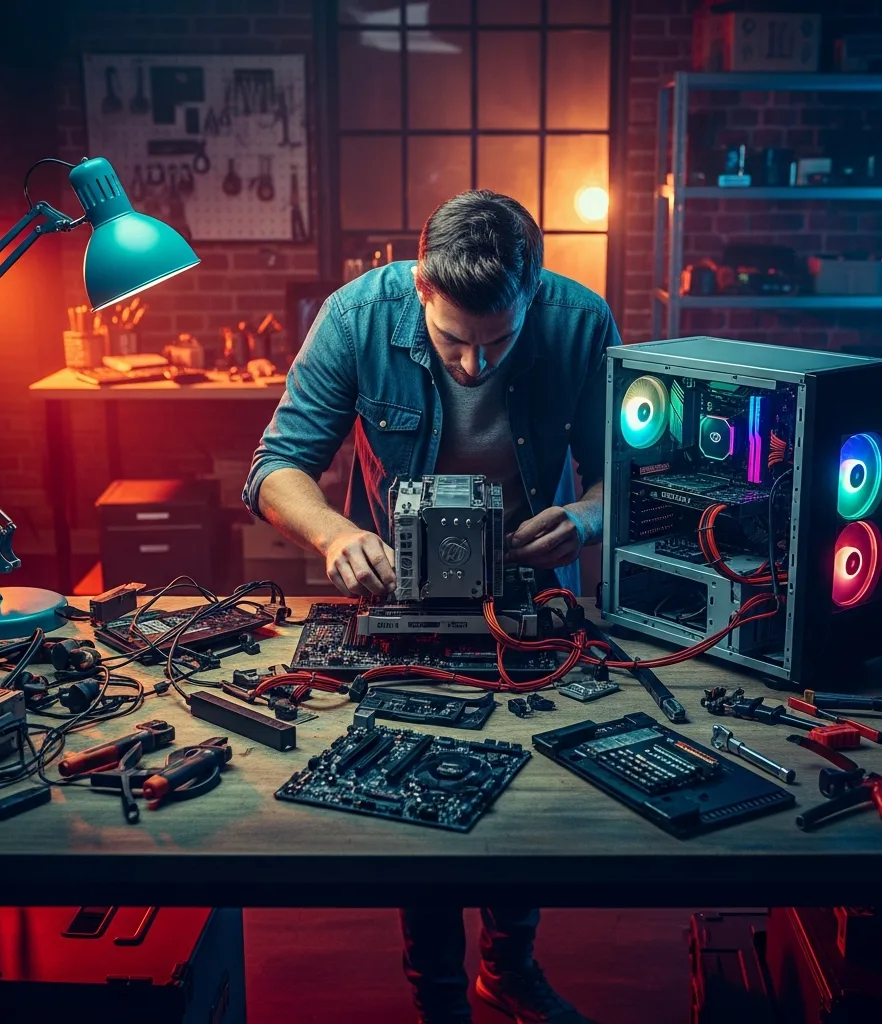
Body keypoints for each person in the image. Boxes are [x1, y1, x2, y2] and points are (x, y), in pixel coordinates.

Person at [243, 190, 619, 1024]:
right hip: (401, 588)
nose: (474, 368)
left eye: (500, 341)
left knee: (525, 781)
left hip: (527, 579)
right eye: (453, 341)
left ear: (534, 289)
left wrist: (587, 518)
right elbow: (274, 469)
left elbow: (616, 478)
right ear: (419, 283)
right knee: (416, 785)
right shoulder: (356, 317)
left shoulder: (581, 322)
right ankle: (440, 999)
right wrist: (337, 534)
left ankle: (508, 967)